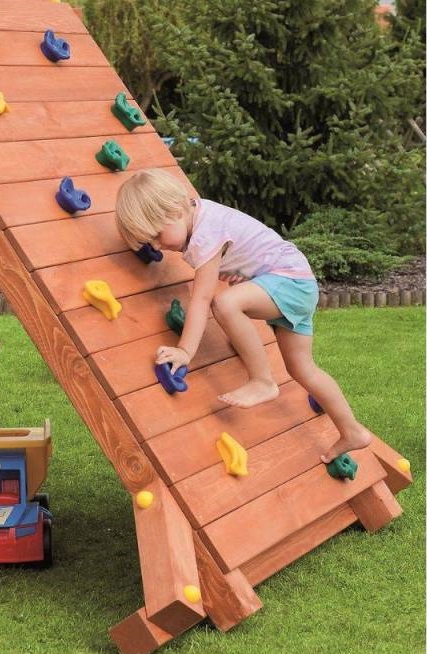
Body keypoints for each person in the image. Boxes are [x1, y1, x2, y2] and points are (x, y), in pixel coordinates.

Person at [115, 168, 371, 464]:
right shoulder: (201, 215)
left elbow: (201, 299)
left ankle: (262, 381)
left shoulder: (205, 234)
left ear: (174, 210)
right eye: (151, 243)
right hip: (297, 283)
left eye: (157, 236)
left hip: (289, 281)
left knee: (225, 304)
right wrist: (246, 275)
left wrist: (185, 351)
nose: (158, 246)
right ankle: (352, 431)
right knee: (303, 370)